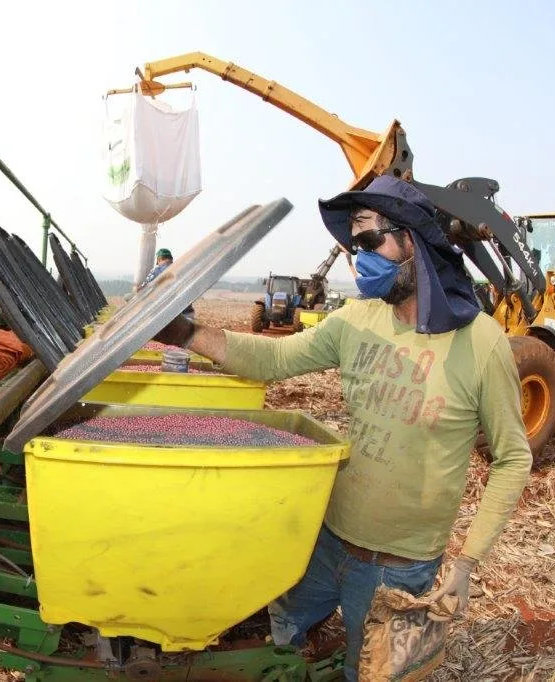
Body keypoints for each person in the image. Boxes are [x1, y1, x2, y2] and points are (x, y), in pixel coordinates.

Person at [154, 176, 532, 681]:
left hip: (399, 569)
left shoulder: (480, 344)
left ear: (412, 240)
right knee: (283, 623)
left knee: (369, 674)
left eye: (370, 241)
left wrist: (465, 565)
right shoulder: (355, 320)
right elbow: (273, 358)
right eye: (355, 246)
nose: (361, 257)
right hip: (328, 538)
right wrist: (184, 332)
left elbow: (513, 458)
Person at [138, 248, 195, 321]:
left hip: (168, 317)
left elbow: (142, 291)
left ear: (159, 259)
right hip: (188, 314)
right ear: (171, 259)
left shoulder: (156, 271)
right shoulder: (182, 268)